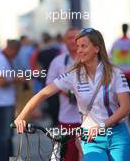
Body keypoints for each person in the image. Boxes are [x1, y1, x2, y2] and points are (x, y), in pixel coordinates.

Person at [14, 28, 130, 161]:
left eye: (84, 46)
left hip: (117, 135)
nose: (79, 50)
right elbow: (42, 94)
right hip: (90, 137)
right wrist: (21, 117)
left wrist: (102, 126)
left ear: (97, 48)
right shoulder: (73, 75)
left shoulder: (115, 73)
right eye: (78, 46)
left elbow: (125, 108)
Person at [46, 27, 81, 161]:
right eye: (69, 38)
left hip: (92, 119)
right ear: (64, 41)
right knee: (69, 156)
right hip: (68, 118)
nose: (73, 41)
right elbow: (49, 84)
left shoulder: (91, 59)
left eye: (76, 37)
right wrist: (67, 92)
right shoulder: (58, 61)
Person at [0, 39, 23, 161]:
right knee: (5, 135)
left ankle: (10, 158)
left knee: (8, 135)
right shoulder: (0, 59)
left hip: (5, 101)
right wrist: (17, 79)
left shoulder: (4, 58)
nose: (16, 55)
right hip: (2, 102)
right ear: (12, 49)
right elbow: (1, 81)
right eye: (16, 52)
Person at [110, 24, 130, 125]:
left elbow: (111, 55)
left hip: (119, 73)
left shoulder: (116, 42)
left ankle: (119, 117)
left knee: (118, 98)